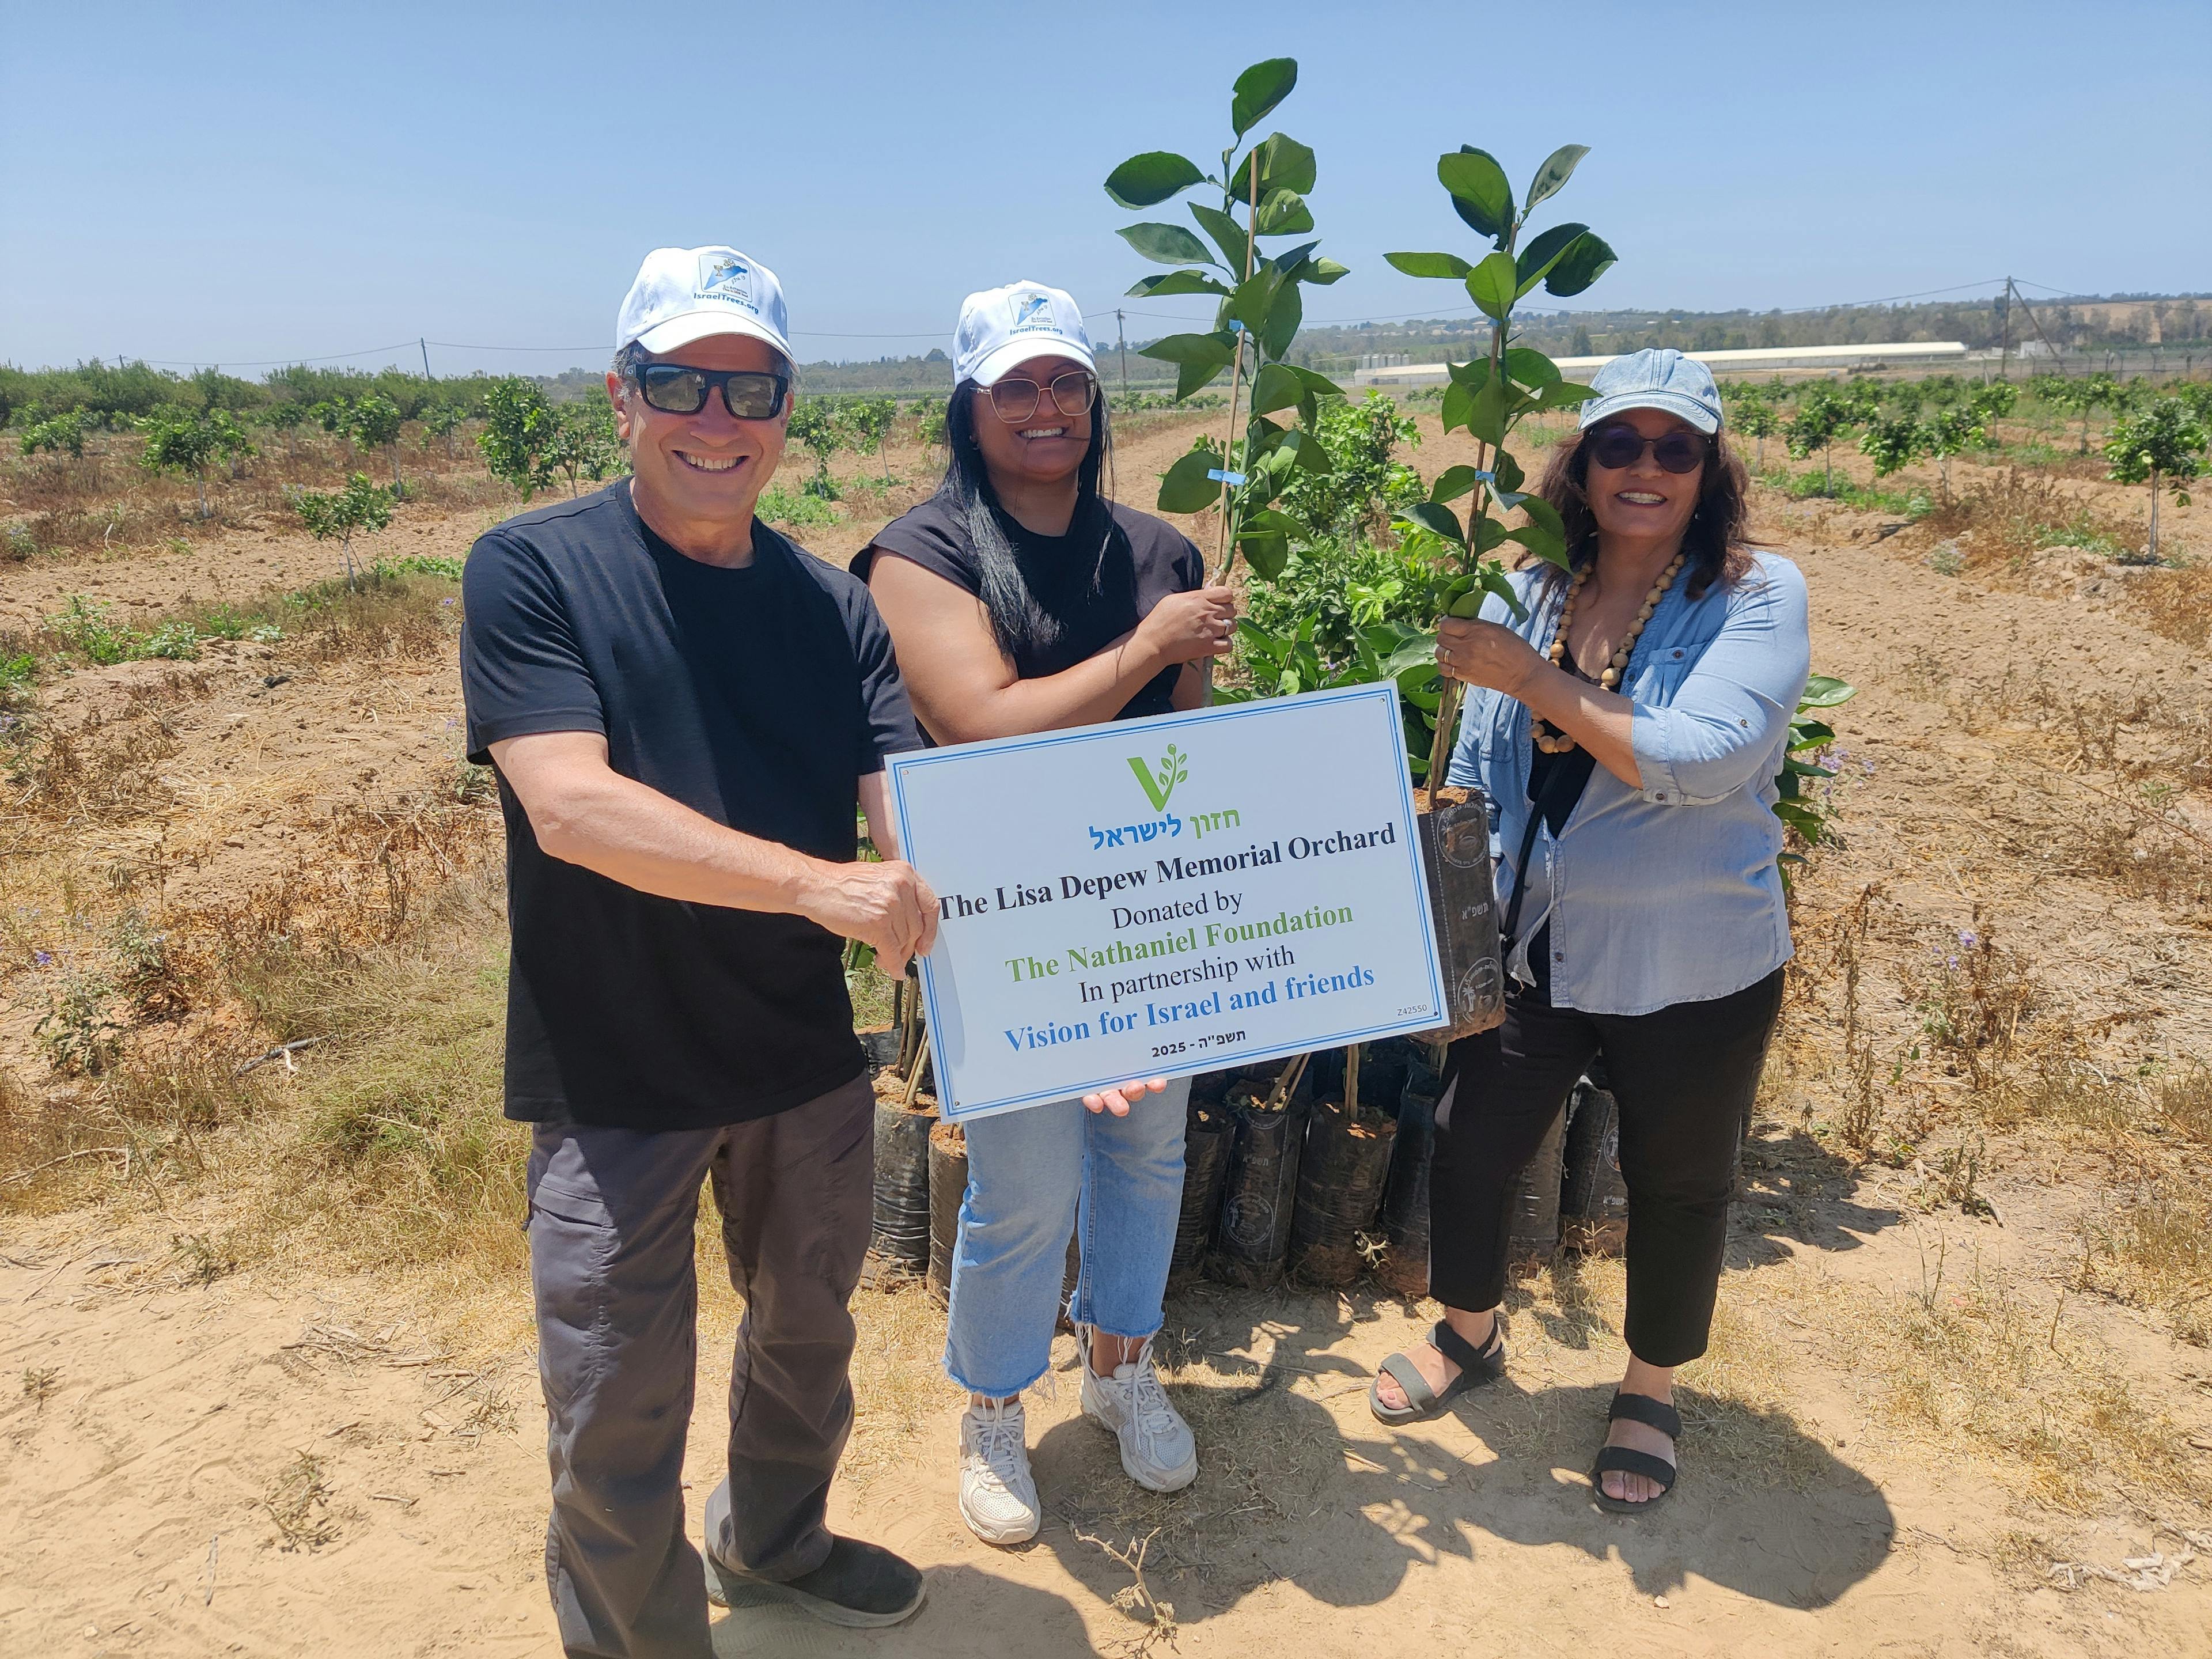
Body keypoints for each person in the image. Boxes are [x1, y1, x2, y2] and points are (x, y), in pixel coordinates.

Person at [461, 245, 938, 1658]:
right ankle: (639, 1638)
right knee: (616, 1397)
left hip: (799, 1059)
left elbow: (912, 810)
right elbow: (572, 806)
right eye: (681, 381)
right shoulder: (534, 568)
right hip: (615, 1072)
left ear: (788, 410)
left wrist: (1076, 983)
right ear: (623, 394)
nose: (716, 418)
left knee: (808, 1336)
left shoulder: (832, 606)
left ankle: (775, 1539)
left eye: (751, 388)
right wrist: (818, 888)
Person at [1366, 349, 1809, 1514]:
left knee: (1678, 1177)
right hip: (1535, 947)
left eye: (1676, 447)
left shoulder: (1757, 596)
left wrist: (1539, 683)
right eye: (1622, 444)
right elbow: (1472, 765)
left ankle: (1651, 1385)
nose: (1646, 468)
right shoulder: (1528, 590)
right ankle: (1470, 1328)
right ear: (1583, 461)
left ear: (1710, 468)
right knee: (1470, 1138)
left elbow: (1707, 757)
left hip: (1694, 962)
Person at [854, 280, 1237, 1546]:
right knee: (1019, 1184)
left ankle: (1122, 1370)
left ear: (1094, 400)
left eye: (1066, 382)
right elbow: (976, 721)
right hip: (1010, 923)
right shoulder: (921, 557)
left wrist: (1199, 889)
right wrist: (1149, 647)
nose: (1046, 406)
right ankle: (993, 1408)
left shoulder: (1156, 553)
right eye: (1016, 385)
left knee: (1148, 1152)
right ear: (969, 406)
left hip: (1145, 910)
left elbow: (1180, 748)